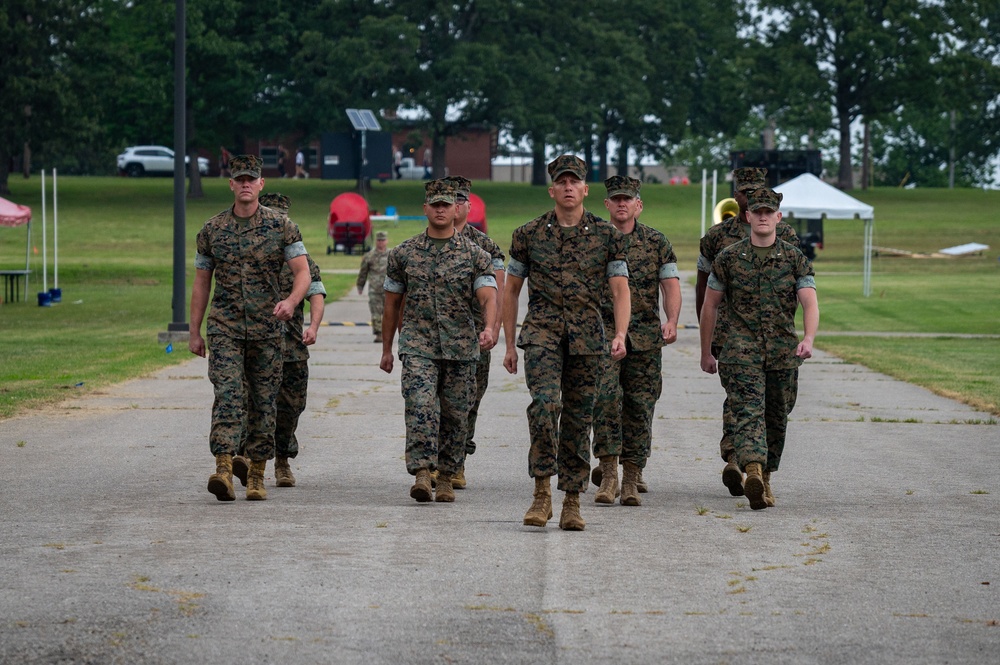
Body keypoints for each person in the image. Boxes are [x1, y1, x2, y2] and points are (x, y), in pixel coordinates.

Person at [502, 155, 630, 531]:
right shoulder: (528, 234)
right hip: (541, 333)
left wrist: (620, 333)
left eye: (575, 181)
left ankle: (572, 500)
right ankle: (541, 494)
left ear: (586, 189)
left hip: (589, 338)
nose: (569, 187)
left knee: (578, 417)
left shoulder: (607, 236)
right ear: (552, 189)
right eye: (563, 182)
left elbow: (621, 290)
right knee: (544, 406)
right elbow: (511, 291)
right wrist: (509, 343)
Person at [189, 155, 311, 501]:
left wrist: (290, 301)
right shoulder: (212, 230)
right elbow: (201, 284)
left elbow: (303, 273)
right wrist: (194, 330)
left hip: (268, 330)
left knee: (263, 402)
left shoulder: (282, 227)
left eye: (251, 179)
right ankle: (224, 467)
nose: (245, 184)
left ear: (261, 184)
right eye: (239, 179)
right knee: (228, 395)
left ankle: (257, 472)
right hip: (225, 327)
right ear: (231, 184)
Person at [699, 187, 818, 510]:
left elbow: (809, 301)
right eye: (758, 212)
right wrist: (706, 350)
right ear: (748, 216)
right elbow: (710, 307)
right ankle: (751, 469)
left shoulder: (794, 258)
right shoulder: (728, 258)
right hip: (741, 352)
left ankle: (766, 476)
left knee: (777, 415)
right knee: (749, 411)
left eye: (769, 212)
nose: (763, 217)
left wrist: (808, 338)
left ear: (778, 218)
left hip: (782, 352)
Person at [379, 179, 498, 504]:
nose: (442, 209)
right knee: (419, 406)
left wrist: (489, 327)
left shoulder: (476, 255)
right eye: (436, 205)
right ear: (426, 209)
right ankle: (421, 471)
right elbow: (391, 304)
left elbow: (488, 295)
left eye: (447, 204)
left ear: (456, 208)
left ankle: (446, 475)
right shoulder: (403, 254)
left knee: (456, 415)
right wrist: (387, 349)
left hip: (461, 348)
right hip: (418, 347)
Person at [589, 175, 681, 506]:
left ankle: (631, 475)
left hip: (644, 337)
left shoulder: (657, 242)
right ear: (607, 205)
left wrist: (671, 320)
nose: (622, 203)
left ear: (638, 204)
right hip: (602, 334)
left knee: (640, 406)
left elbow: (670, 285)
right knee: (605, 401)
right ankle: (608, 472)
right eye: (616, 199)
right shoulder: (594, 240)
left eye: (628, 198)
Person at [231, 193, 326, 491]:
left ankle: (282, 458)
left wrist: (313, 326)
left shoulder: (303, 259)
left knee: (290, 407)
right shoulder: (247, 255)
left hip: (292, 349)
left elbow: (317, 295)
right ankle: (247, 457)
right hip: (256, 344)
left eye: (283, 217)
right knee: (253, 404)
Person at [439, 175, 506, 490]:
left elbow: (499, 290)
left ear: (467, 205)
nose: (457, 205)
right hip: (437, 337)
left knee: (468, 401)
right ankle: (439, 462)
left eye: (462, 199)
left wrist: (493, 328)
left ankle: (458, 460)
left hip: (475, 338)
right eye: (452, 199)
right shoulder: (429, 241)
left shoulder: (485, 245)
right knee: (436, 401)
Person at [357, 231, 390, 343]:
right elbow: (363, 272)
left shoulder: (392, 255)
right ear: (376, 241)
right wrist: (360, 285)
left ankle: (388, 333)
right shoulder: (369, 256)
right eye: (379, 240)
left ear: (387, 241)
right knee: (376, 313)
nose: (381, 242)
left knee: (388, 313)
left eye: (383, 240)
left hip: (389, 290)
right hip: (374, 289)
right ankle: (379, 334)